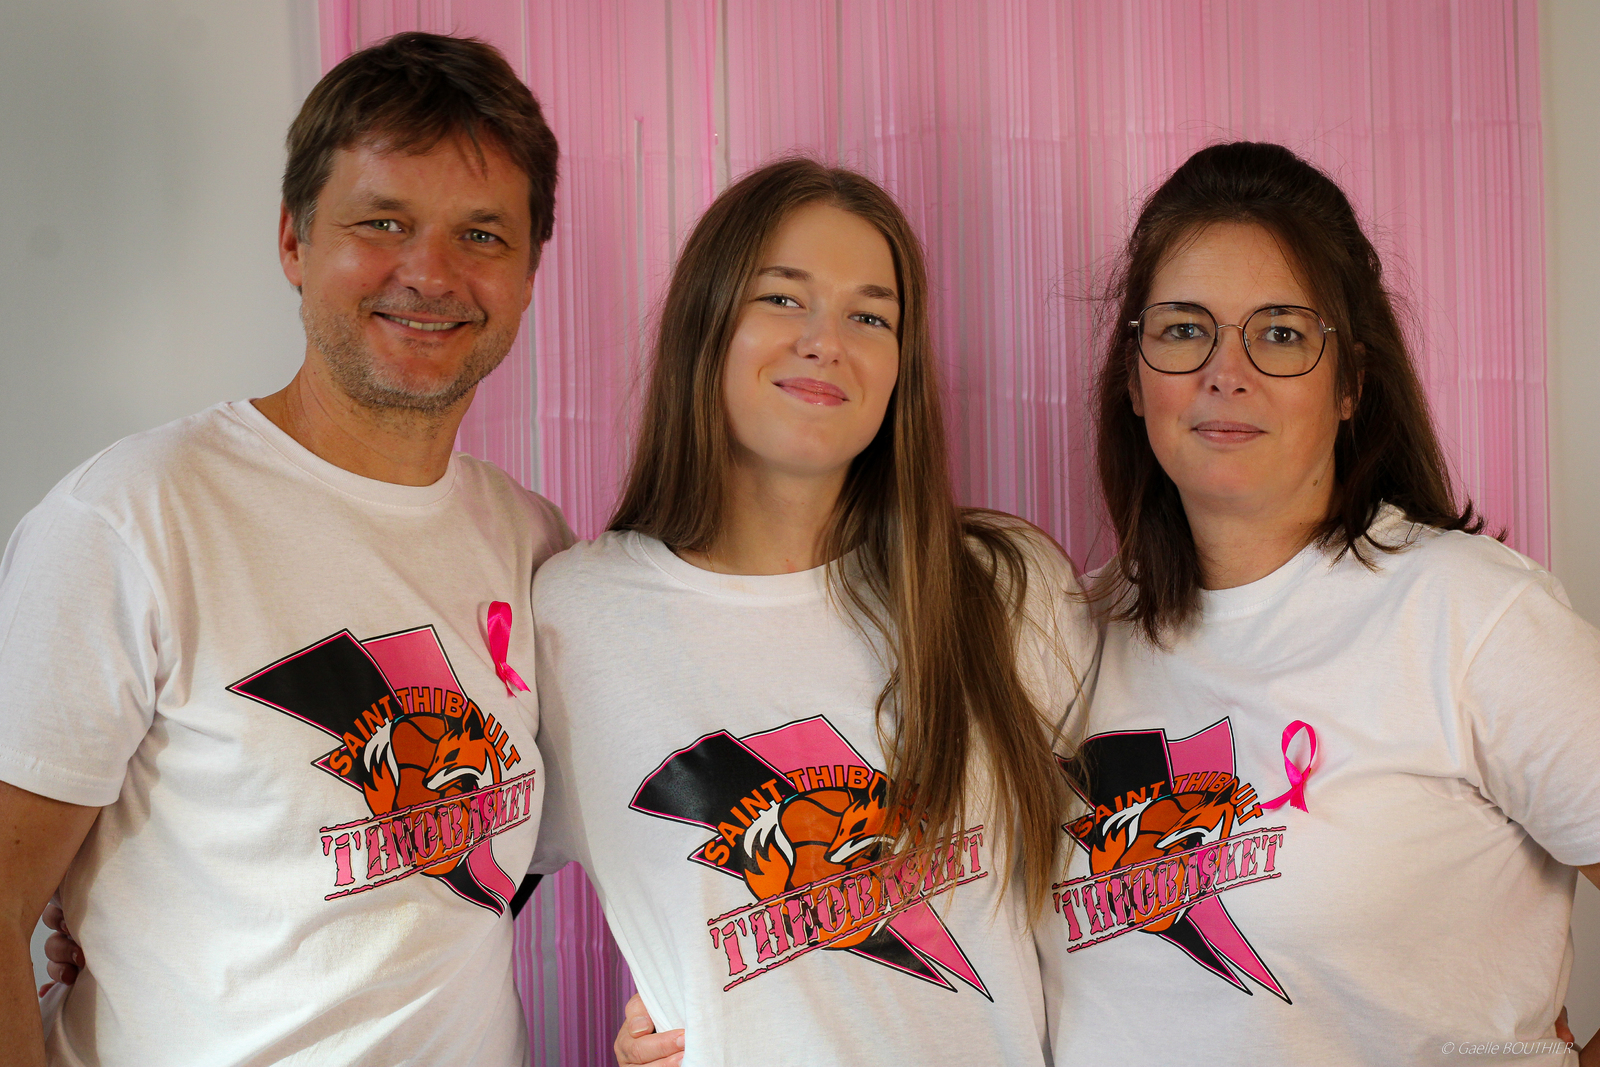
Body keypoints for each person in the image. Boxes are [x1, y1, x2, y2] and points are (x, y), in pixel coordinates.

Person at [0, 32, 573, 1066]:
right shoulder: (131, 519)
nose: (429, 273)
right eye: (382, 222)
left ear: (530, 275)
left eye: (482, 234)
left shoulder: (531, 539)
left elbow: (472, 879)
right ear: (294, 241)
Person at [1039, 141, 1600, 1066]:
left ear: (1351, 385)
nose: (1226, 371)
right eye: (1183, 329)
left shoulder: (1470, 617)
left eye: (1281, 333)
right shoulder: (1068, 637)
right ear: (1134, 380)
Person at [533, 157, 1095, 1067]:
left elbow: (1105, 913)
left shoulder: (1003, 587)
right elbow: (446, 904)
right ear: (706, 323)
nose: (825, 341)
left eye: (870, 316)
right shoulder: (573, 617)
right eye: (783, 298)